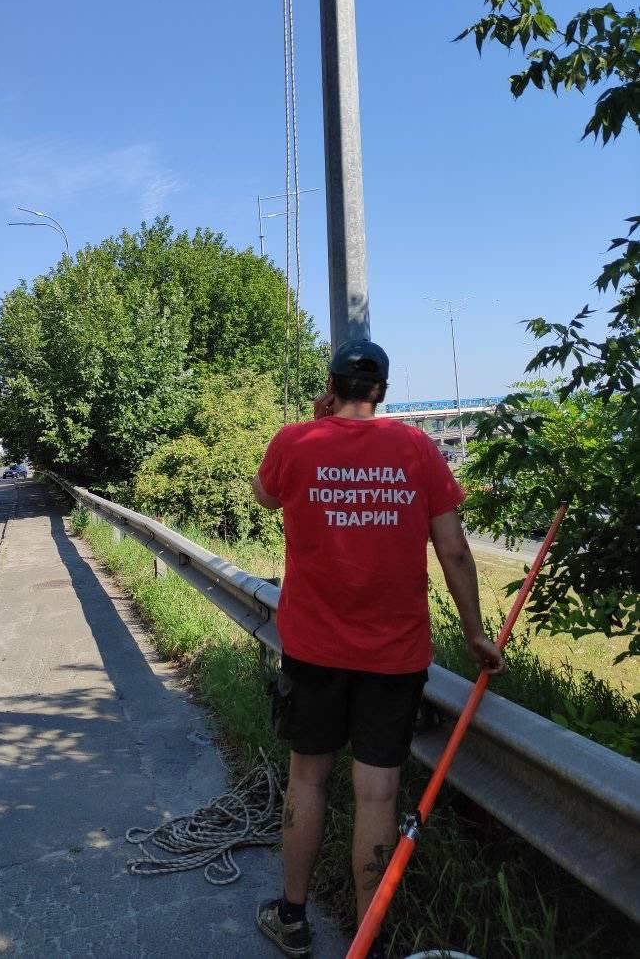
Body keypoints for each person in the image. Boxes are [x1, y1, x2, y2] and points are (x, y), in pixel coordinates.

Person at [252, 338, 504, 959]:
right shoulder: (416, 448)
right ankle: (369, 940)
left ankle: (292, 918)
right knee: (378, 794)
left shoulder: (295, 442)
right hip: (394, 655)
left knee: (307, 778)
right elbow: (454, 551)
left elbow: (265, 496)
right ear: (382, 391)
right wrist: (475, 634)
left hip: (313, 649)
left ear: (331, 386)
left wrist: (316, 427)